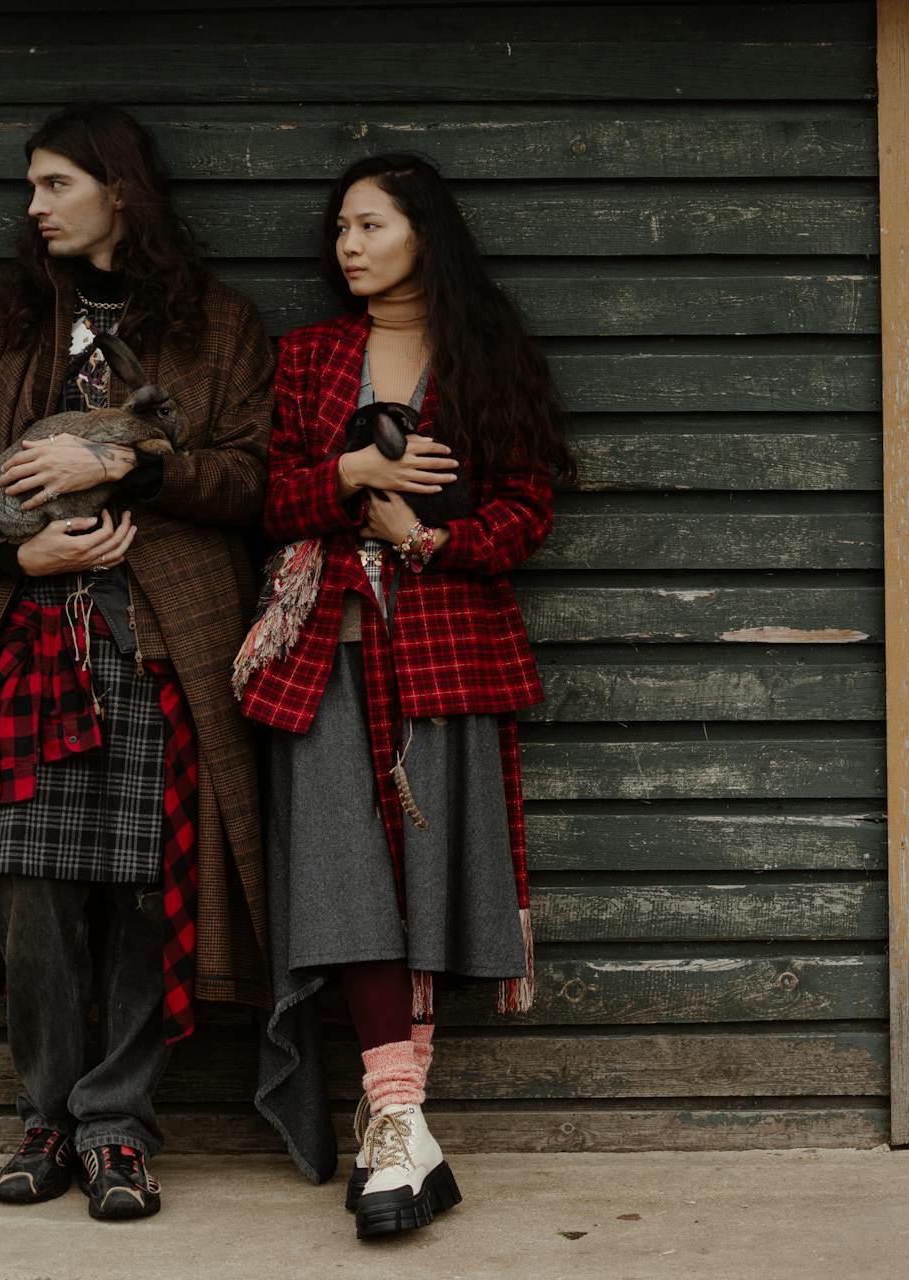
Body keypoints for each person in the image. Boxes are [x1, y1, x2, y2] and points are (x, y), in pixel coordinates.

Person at [0, 104, 273, 1220]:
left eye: (54, 184)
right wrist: (17, 548)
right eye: (32, 187)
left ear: (119, 190)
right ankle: (47, 1118)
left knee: (139, 890)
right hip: (28, 639)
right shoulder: (15, 319)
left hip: (157, 635)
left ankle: (119, 1127)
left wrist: (125, 462)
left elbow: (255, 473)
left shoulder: (217, 325)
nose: (35, 207)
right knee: (30, 891)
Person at [241, 152, 573, 1241]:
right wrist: (347, 482)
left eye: (370, 224)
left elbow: (529, 504)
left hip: (447, 645)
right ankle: (399, 1122)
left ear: (424, 231)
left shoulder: (486, 355)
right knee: (346, 874)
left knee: (426, 876)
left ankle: (396, 1127)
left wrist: (430, 538)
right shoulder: (308, 356)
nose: (348, 244)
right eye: (339, 226)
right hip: (324, 650)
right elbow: (264, 495)